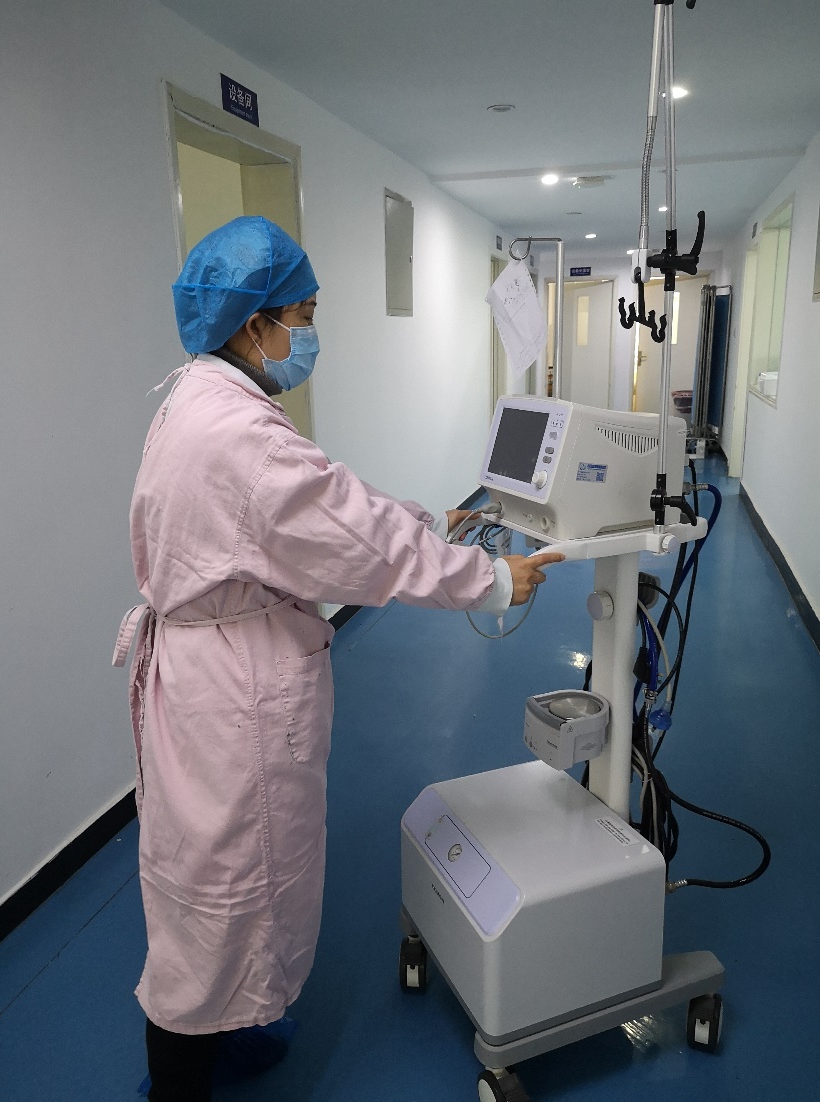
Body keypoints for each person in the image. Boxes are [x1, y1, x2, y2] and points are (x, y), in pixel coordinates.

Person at [114, 216, 563, 1102]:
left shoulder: (199, 396)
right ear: (256, 325)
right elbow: (352, 538)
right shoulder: (241, 437)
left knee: (211, 884)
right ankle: (181, 1082)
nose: (311, 334)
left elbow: (329, 505)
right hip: (229, 695)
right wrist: (488, 578)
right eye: (305, 316)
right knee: (223, 890)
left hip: (199, 679)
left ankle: (230, 1030)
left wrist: (431, 519)